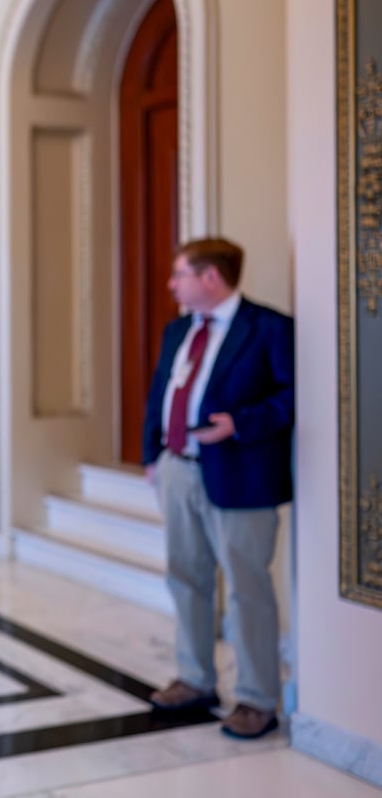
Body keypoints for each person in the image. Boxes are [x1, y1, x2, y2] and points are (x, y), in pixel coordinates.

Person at [142, 237, 294, 740]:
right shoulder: (179, 330)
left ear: (211, 277)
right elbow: (160, 392)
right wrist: (152, 455)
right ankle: (195, 678)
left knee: (248, 589)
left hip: (241, 477)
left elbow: (293, 397)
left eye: (180, 273)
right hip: (178, 469)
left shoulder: (269, 329)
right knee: (185, 577)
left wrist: (240, 424)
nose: (171, 284)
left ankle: (256, 699)